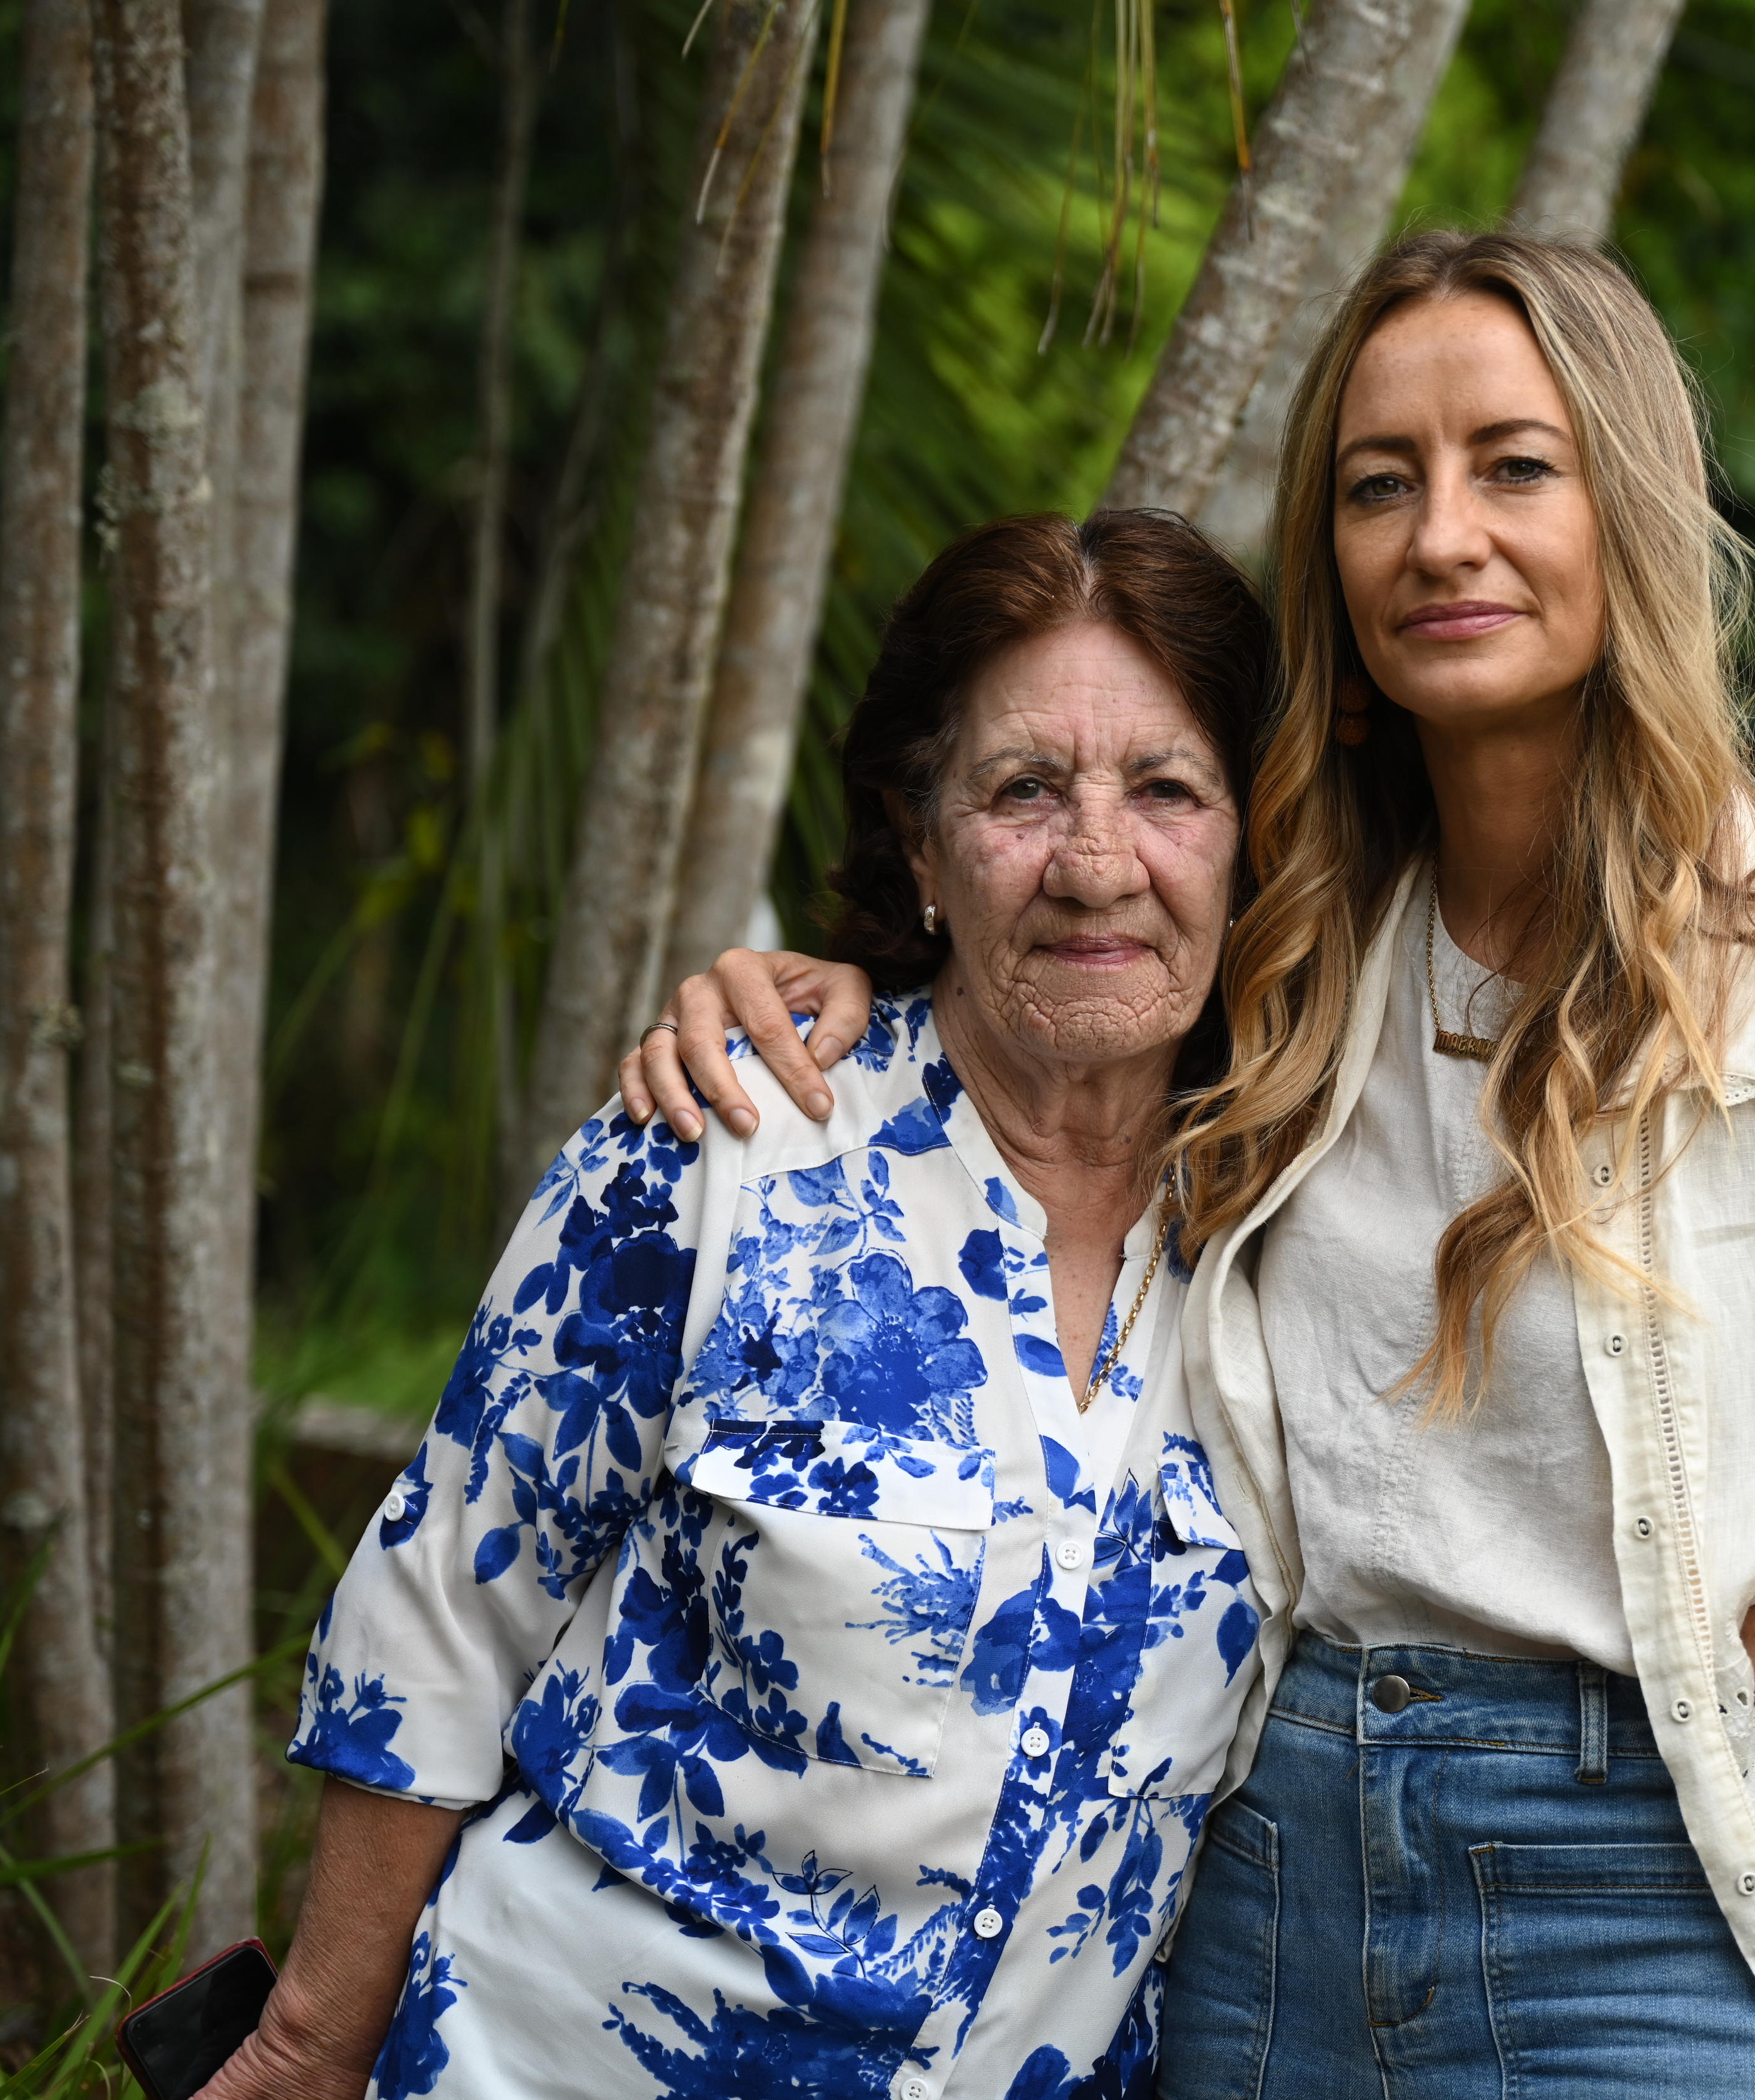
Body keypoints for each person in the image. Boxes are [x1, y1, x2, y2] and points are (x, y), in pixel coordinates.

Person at [631, 232, 1755, 2100]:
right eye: (1378, 483)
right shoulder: (1290, 957)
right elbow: (1048, 971)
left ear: (1634, 513)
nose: (1442, 534)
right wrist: (821, 990)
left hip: (1646, 1904)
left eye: (1516, 464)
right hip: (1258, 1911)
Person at [214, 510, 1277, 2100]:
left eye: (1169, 789)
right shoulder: (729, 1146)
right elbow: (445, 1604)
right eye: (1022, 790)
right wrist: (302, 2048)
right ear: (921, 843)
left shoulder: (1291, 1223)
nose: (1096, 861)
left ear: (1257, 838)